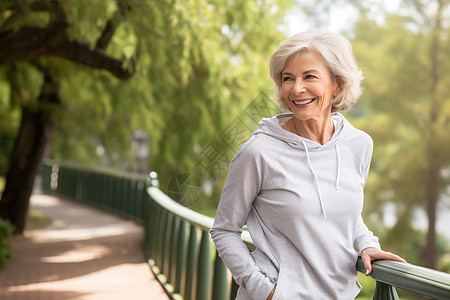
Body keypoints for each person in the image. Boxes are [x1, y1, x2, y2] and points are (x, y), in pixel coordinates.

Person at [209, 29, 406, 300]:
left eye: (309, 76)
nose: (296, 88)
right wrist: (266, 291)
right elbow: (224, 230)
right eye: (287, 78)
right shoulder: (259, 152)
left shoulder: (358, 145)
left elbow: (342, 211)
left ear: (337, 83)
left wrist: (367, 244)